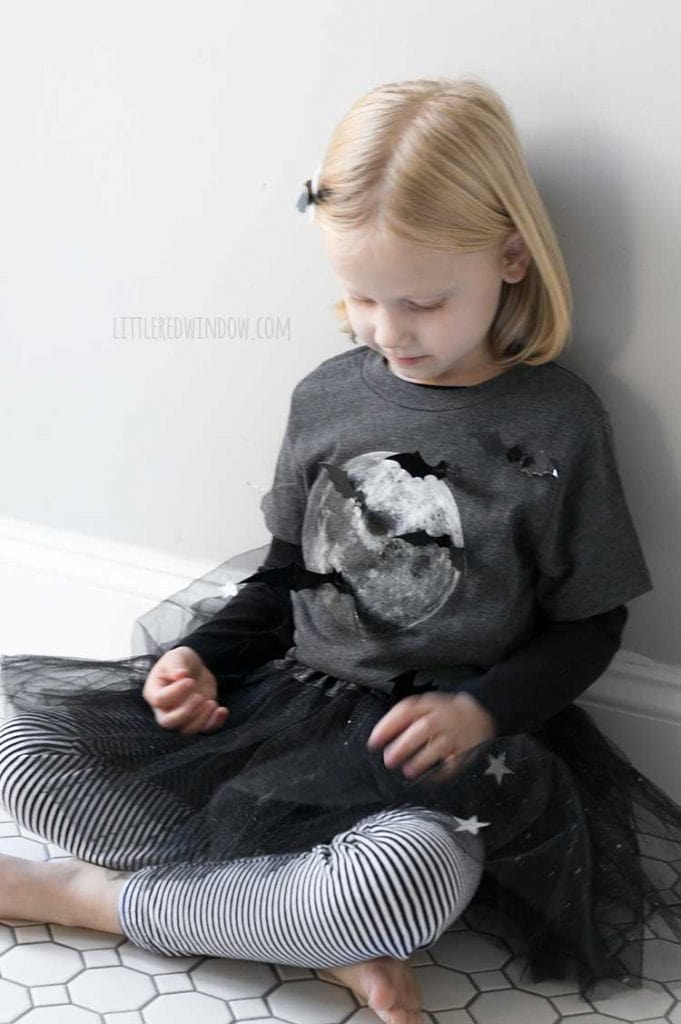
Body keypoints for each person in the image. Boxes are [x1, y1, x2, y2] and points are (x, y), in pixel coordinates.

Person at [1, 76, 680, 1023]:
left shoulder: (559, 425)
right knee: (23, 745)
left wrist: (482, 713)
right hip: (283, 710)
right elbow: (286, 574)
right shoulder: (330, 394)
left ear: (512, 260)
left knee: (399, 884)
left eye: (424, 302)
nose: (388, 332)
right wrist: (201, 657)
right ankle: (290, 926)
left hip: (428, 764)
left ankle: (94, 900)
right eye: (360, 298)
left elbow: (591, 619)